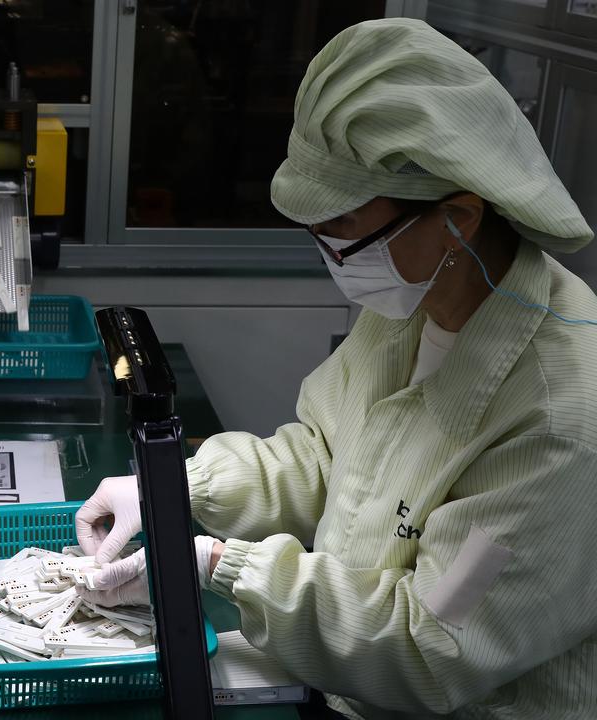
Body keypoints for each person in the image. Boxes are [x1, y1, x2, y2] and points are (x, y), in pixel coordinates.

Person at [74, 18, 597, 719]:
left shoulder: (560, 418)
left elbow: (432, 642)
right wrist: (176, 489)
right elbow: (327, 457)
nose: (328, 254)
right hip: (348, 681)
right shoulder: (416, 296)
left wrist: (222, 567)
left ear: (459, 218)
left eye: (344, 231)